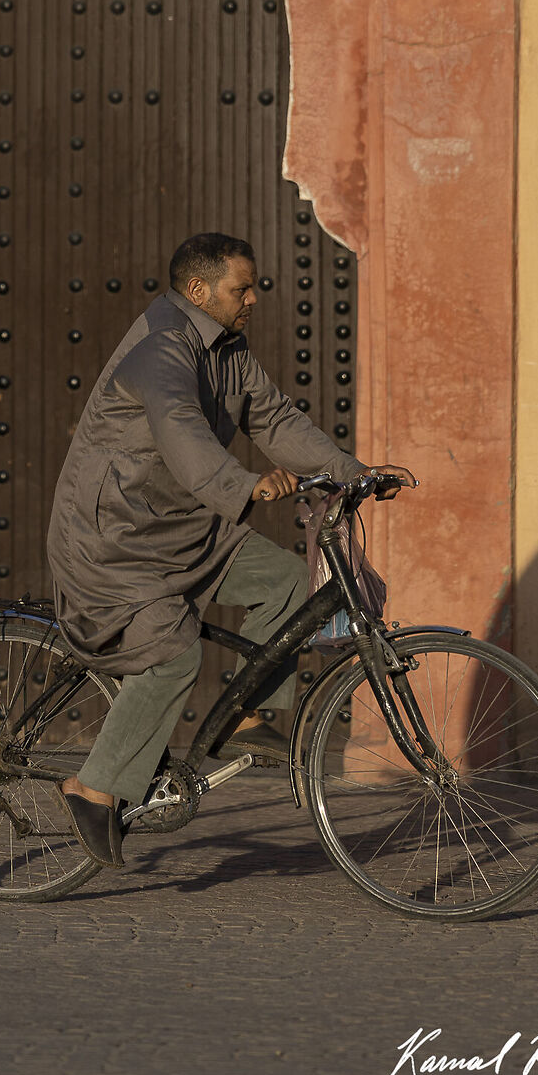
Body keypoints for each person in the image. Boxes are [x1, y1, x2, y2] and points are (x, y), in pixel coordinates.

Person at [46, 229, 374, 868]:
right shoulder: (161, 351)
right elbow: (187, 437)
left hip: (180, 524)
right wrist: (246, 486)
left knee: (285, 580)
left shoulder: (227, 349)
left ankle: (249, 715)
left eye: (254, 287)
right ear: (198, 290)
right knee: (173, 654)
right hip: (114, 537)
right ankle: (94, 787)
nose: (253, 298)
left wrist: (350, 471)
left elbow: (273, 419)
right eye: (241, 288)